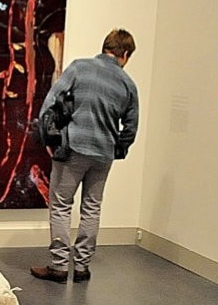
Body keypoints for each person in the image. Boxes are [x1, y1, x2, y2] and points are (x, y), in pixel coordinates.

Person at [30, 28, 139, 283]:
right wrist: (118, 148)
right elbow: (131, 127)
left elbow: (50, 103)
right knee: (92, 207)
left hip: (73, 149)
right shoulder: (128, 84)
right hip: (104, 154)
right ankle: (82, 267)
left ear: (105, 47)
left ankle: (59, 266)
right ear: (124, 54)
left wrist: (52, 137)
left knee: (61, 205)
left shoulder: (79, 68)